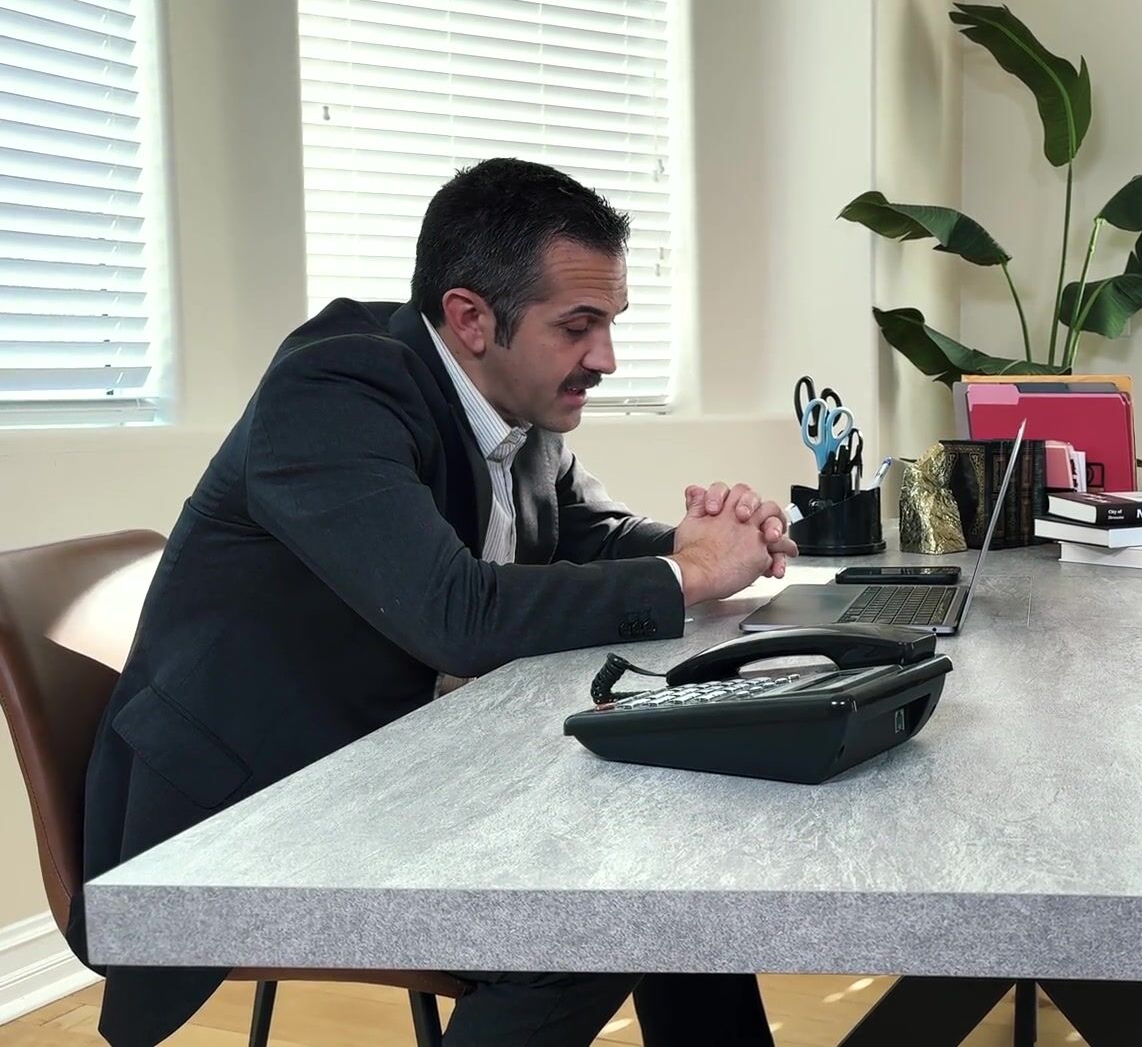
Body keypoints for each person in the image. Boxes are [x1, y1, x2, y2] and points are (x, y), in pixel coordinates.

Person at [70, 158, 794, 1047]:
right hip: (249, 811)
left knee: (673, 842)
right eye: (578, 327)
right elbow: (456, 614)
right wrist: (691, 574)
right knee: (598, 918)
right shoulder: (334, 392)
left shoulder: (516, 406)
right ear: (471, 318)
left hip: (404, 767)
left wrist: (701, 541)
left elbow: (588, 534)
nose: (605, 358)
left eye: (610, 323)